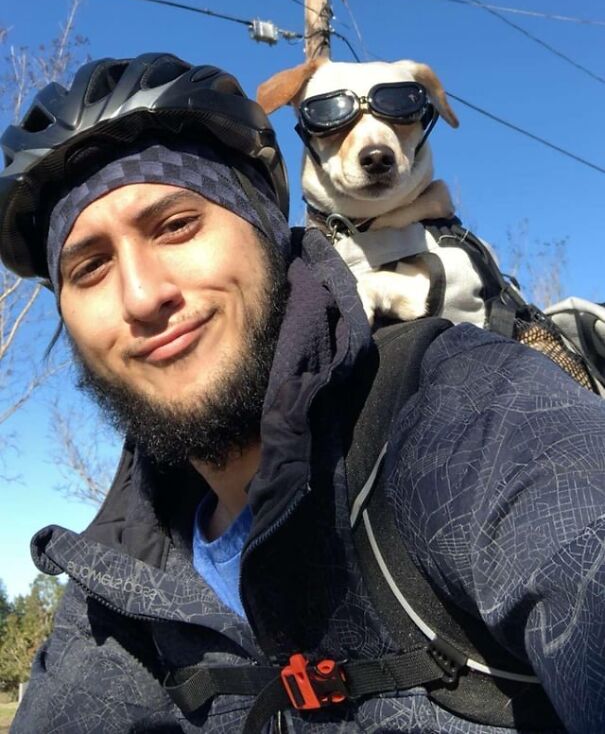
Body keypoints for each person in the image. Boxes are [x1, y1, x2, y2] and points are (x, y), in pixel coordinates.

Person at [2, 51, 605, 734]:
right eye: (89, 266)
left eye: (175, 226)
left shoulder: (468, 415)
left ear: (268, 230)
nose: (142, 296)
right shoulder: (113, 583)